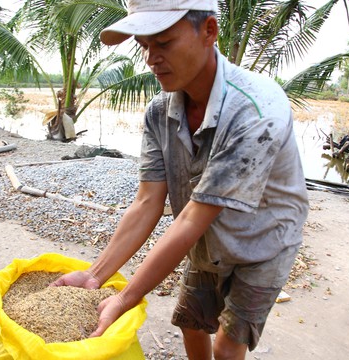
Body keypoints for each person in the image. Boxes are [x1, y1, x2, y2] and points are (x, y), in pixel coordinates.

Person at [52, 1, 309, 358]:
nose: (150, 59)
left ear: (209, 31)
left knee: (227, 345)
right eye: (144, 46)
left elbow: (191, 217)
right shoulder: (160, 112)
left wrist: (125, 298)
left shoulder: (256, 110)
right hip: (206, 242)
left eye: (164, 43)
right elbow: (147, 202)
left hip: (262, 244)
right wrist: (95, 276)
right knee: (191, 322)